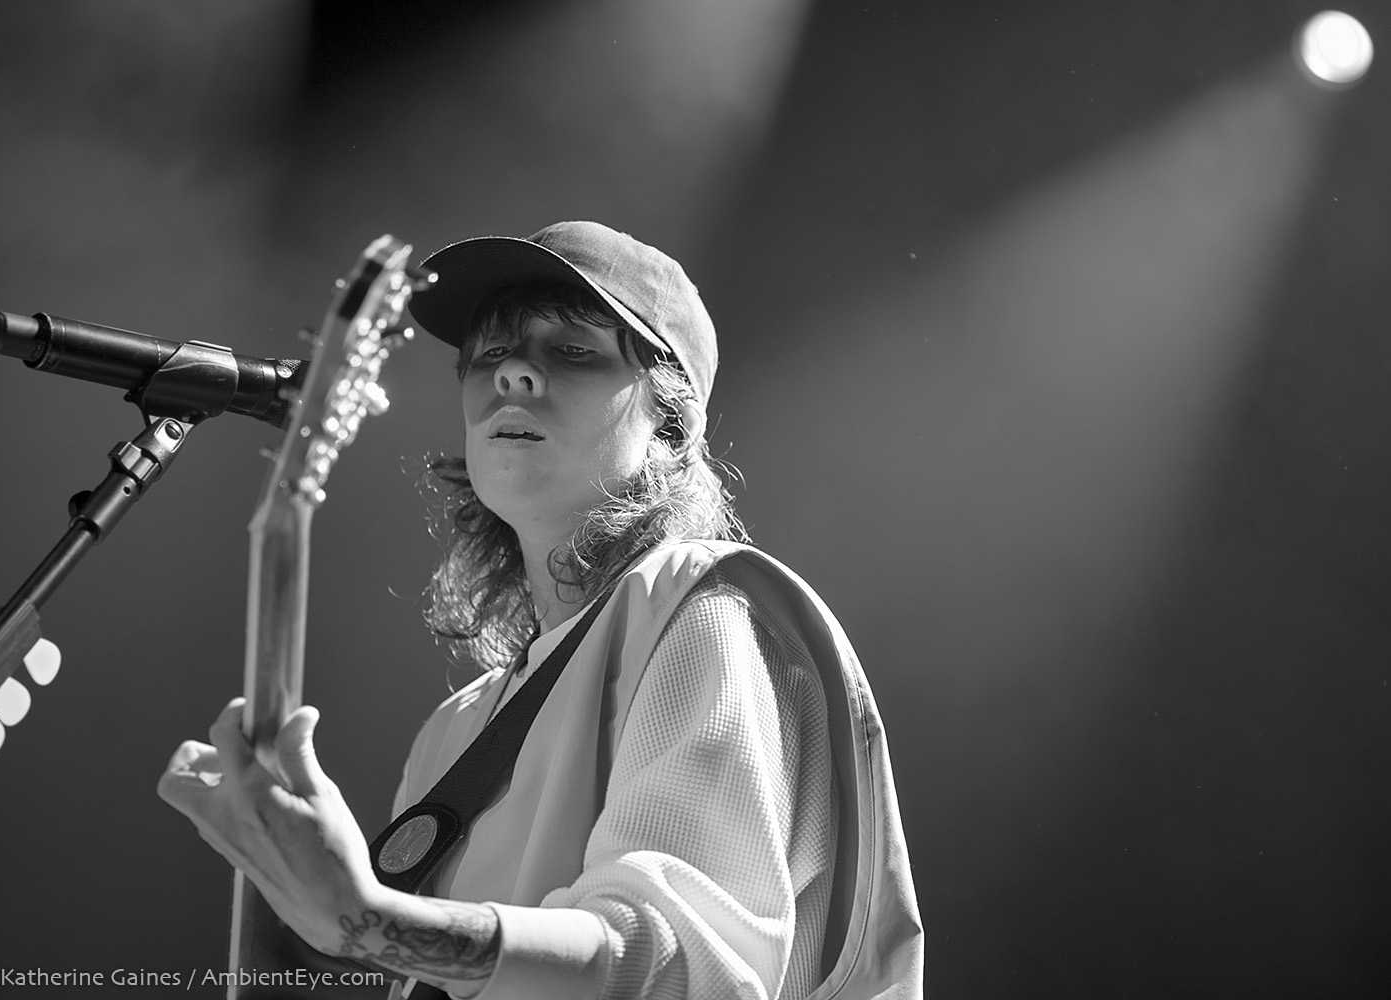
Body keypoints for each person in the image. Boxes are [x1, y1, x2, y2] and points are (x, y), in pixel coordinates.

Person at [158, 221, 924, 1000]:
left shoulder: (704, 606)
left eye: (574, 350)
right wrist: (280, 895)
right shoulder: (453, 731)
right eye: (489, 353)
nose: (514, 373)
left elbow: (681, 971)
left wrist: (365, 915)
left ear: (671, 422)